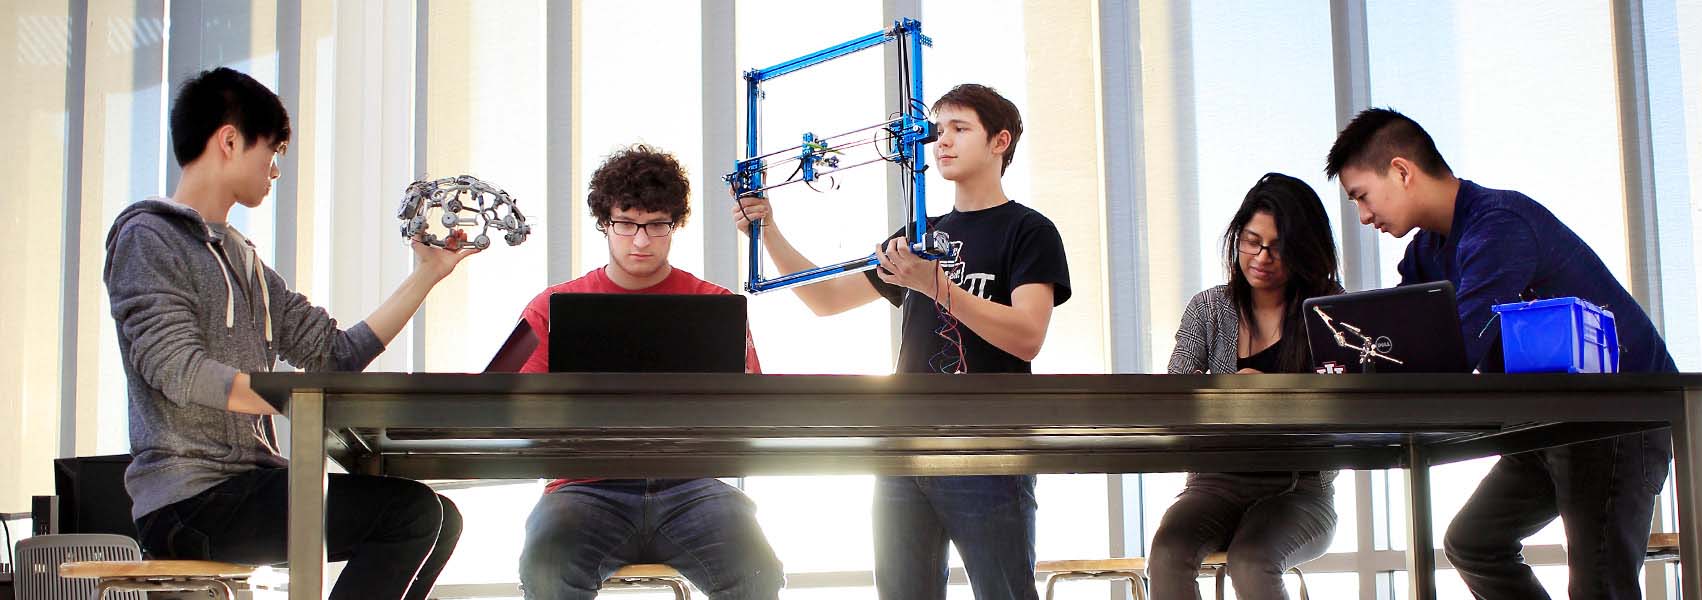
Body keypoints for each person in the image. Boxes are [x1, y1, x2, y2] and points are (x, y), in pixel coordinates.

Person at [106, 67, 471, 600]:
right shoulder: (147, 238)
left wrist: (427, 275)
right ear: (230, 141)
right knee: (410, 514)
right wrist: (292, 401)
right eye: (271, 151)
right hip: (190, 500)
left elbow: (336, 354)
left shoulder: (246, 265)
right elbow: (178, 371)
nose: (275, 170)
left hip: (250, 483)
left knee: (442, 518)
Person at [732, 83, 1071, 600]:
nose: (942, 142)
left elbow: (1027, 336)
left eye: (960, 129)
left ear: (1000, 141)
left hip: (986, 449)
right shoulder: (915, 234)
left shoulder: (1028, 230)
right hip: (901, 447)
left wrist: (933, 284)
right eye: (938, 131)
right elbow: (826, 299)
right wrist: (770, 231)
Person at [1326, 107, 1679, 600]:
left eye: (1361, 197)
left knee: (1600, 587)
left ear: (1402, 171)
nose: (1363, 216)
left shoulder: (1499, 226)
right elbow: (1406, 342)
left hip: (1619, 421)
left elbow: (1456, 349)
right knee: (1474, 542)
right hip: (1547, 425)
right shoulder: (1427, 251)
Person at [515, 144, 784, 600]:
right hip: (584, 489)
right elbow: (519, 407)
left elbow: (750, 406)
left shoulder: (714, 305)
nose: (640, 241)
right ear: (605, 222)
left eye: (656, 225)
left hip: (693, 487)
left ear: (674, 224)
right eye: (626, 224)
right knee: (546, 564)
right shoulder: (551, 308)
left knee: (756, 567)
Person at [1148, 173, 1342, 600]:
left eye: (1277, 247)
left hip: (1299, 486)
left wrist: (1274, 394)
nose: (1260, 256)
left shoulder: (1329, 312)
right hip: (1213, 482)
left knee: (1253, 561)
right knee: (1166, 553)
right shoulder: (1208, 308)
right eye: (1251, 241)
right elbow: (1175, 393)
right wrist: (1225, 393)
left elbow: (1342, 409)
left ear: (1304, 252)